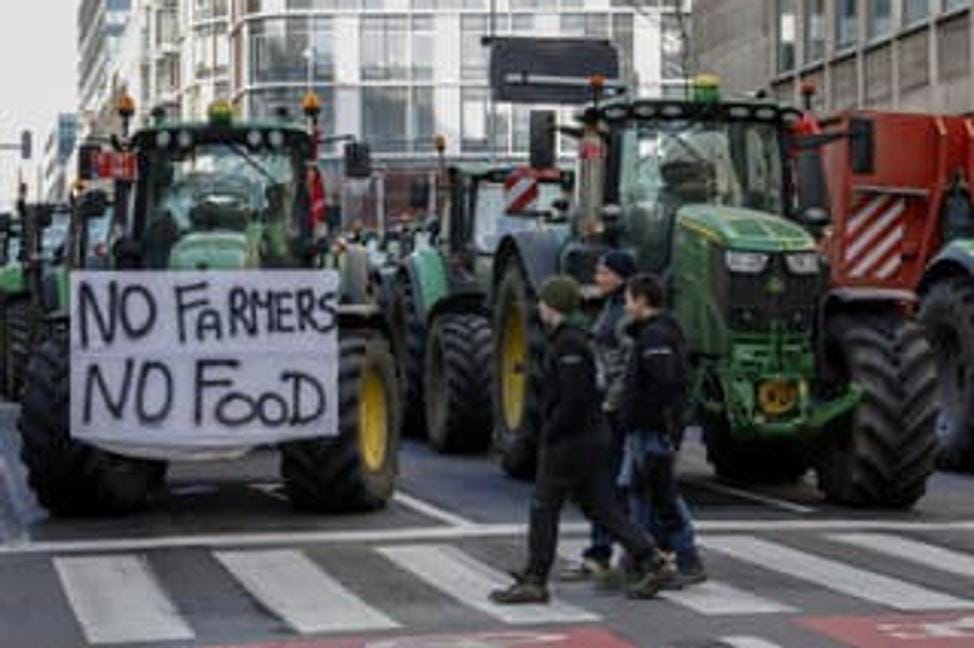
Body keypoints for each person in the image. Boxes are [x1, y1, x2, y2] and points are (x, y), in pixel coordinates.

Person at [490, 275, 674, 605]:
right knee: (601, 508)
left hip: (572, 440)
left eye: (544, 302)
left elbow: (573, 398)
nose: (540, 309)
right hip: (590, 437)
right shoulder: (573, 338)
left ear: (553, 305)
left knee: (543, 507)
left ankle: (535, 579)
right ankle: (652, 559)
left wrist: (550, 434)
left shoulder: (569, 343)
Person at [620, 273, 706, 588]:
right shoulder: (654, 334)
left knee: (663, 496)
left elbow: (664, 383)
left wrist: (654, 421)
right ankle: (640, 558)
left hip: (652, 429)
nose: (625, 305)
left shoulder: (655, 337)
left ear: (642, 300)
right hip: (647, 428)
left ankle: (688, 559)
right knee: (641, 494)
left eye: (628, 298)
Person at [560, 250, 637, 581]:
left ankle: (611, 552)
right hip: (609, 404)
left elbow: (628, 365)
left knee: (610, 482)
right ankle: (612, 550)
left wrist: (611, 403)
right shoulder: (610, 306)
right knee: (612, 481)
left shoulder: (622, 314)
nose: (597, 278)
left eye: (603, 272)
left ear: (620, 277)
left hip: (615, 409)